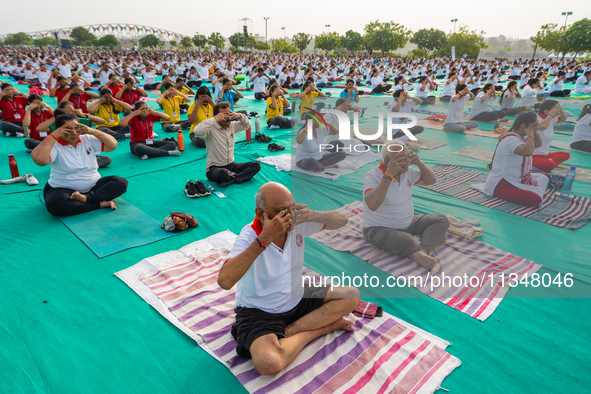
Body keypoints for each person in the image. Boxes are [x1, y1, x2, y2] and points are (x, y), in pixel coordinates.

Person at [219, 182, 358, 375]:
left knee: (352, 295)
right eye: (281, 211)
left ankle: (291, 331)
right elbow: (225, 281)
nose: (289, 215)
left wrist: (315, 215)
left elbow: (341, 220)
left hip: (296, 295)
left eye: (291, 207)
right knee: (269, 363)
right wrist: (265, 238)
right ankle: (319, 329)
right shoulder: (250, 235)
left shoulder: (296, 222)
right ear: (261, 214)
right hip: (260, 311)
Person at [363, 140, 446, 270]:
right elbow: (373, 205)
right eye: (401, 158)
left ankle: (421, 252)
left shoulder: (406, 170)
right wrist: (389, 174)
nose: (407, 161)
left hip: (408, 223)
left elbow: (430, 180)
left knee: (441, 220)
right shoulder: (373, 175)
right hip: (379, 228)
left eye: (408, 156)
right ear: (387, 160)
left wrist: (418, 163)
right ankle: (414, 246)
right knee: (406, 241)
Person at [31, 113, 127, 217]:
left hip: (93, 186)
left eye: (76, 128)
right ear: (59, 130)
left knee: (120, 183)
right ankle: (99, 204)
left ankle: (86, 199)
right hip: (63, 189)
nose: (74, 133)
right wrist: (53, 135)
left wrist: (92, 131)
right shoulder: (54, 144)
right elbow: (39, 160)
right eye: (68, 129)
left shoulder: (86, 138)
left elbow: (112, 145)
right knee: (56, 205)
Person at [478, 112, 549, 206]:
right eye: (534, 125)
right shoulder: (511, 140)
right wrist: (530, 134)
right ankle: (525, 190)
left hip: (515, 178)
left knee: (543, 177)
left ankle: (526, 189)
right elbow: (528, 152)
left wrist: (534, 132)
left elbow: (538, 144)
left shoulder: (520, 137)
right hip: (502, 183)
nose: (536, 126)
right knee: (536, 199)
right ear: (523, 126)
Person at [193, 102, 260, 187]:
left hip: (230, 165)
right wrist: (215, 118)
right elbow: (197, 131)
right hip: (215, 168)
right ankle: (234, 177)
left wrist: (238, 115)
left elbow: (248, 124)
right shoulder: (210, 130)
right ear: (217, 116)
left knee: (256, 165)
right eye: (224, 115)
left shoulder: (232, 125)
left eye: (229, 114)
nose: (228, 118)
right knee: (223, 173)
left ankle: (232, 179)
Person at [533, 100, 570, 172]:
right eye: (555, 109)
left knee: (566, 154)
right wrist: (550, 115)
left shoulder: (550, 119)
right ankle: (547, 162)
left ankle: (547, 161)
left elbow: (563, 119)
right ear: (546, 111)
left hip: (544, 154)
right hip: (532, 155)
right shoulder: (536, 119)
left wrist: (561, 111)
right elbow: (542, 126)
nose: (557, 111)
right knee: (551, 165)